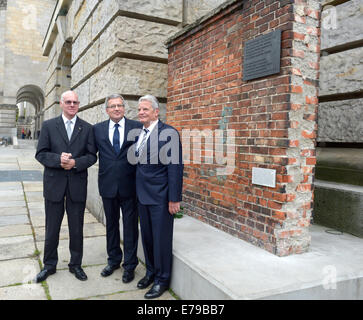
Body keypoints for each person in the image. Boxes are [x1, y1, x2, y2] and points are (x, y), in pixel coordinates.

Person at [34, 90, 97, 283]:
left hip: (76, 185)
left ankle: (75, 265)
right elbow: (41, 153)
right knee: (52, 227)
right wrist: (58, 160)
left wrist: (75, 163)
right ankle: (49, 265)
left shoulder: (87, 128)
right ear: (61, 104)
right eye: (68, 102)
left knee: (76, 227)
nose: (72, 105)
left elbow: (92, 155)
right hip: (54, 184)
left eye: (75, 102)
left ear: (78, 105)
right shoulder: (48, 126)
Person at [134, 94, 183, 299]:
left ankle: (162, 280)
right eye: (139, 110)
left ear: (156, 112)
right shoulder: (140, 133)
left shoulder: (168, 133)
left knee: (161, 240)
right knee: (147, 238)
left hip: (161, 198)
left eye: (145, 109)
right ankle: (151, 272)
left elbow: (175, 168)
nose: (141, 113)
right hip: (142, 196)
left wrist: (174, 198)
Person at [93, 94, 142, 283]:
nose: (116, 109)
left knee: (130, 227)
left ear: (124, 108)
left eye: (120, 105)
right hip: (107, 186)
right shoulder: (97, 130)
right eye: (112, 106)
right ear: (107, 110)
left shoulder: (136, 128)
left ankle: (129, 265)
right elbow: (90, 153)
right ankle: (113, 260)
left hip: (130, 186)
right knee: (111, 225)